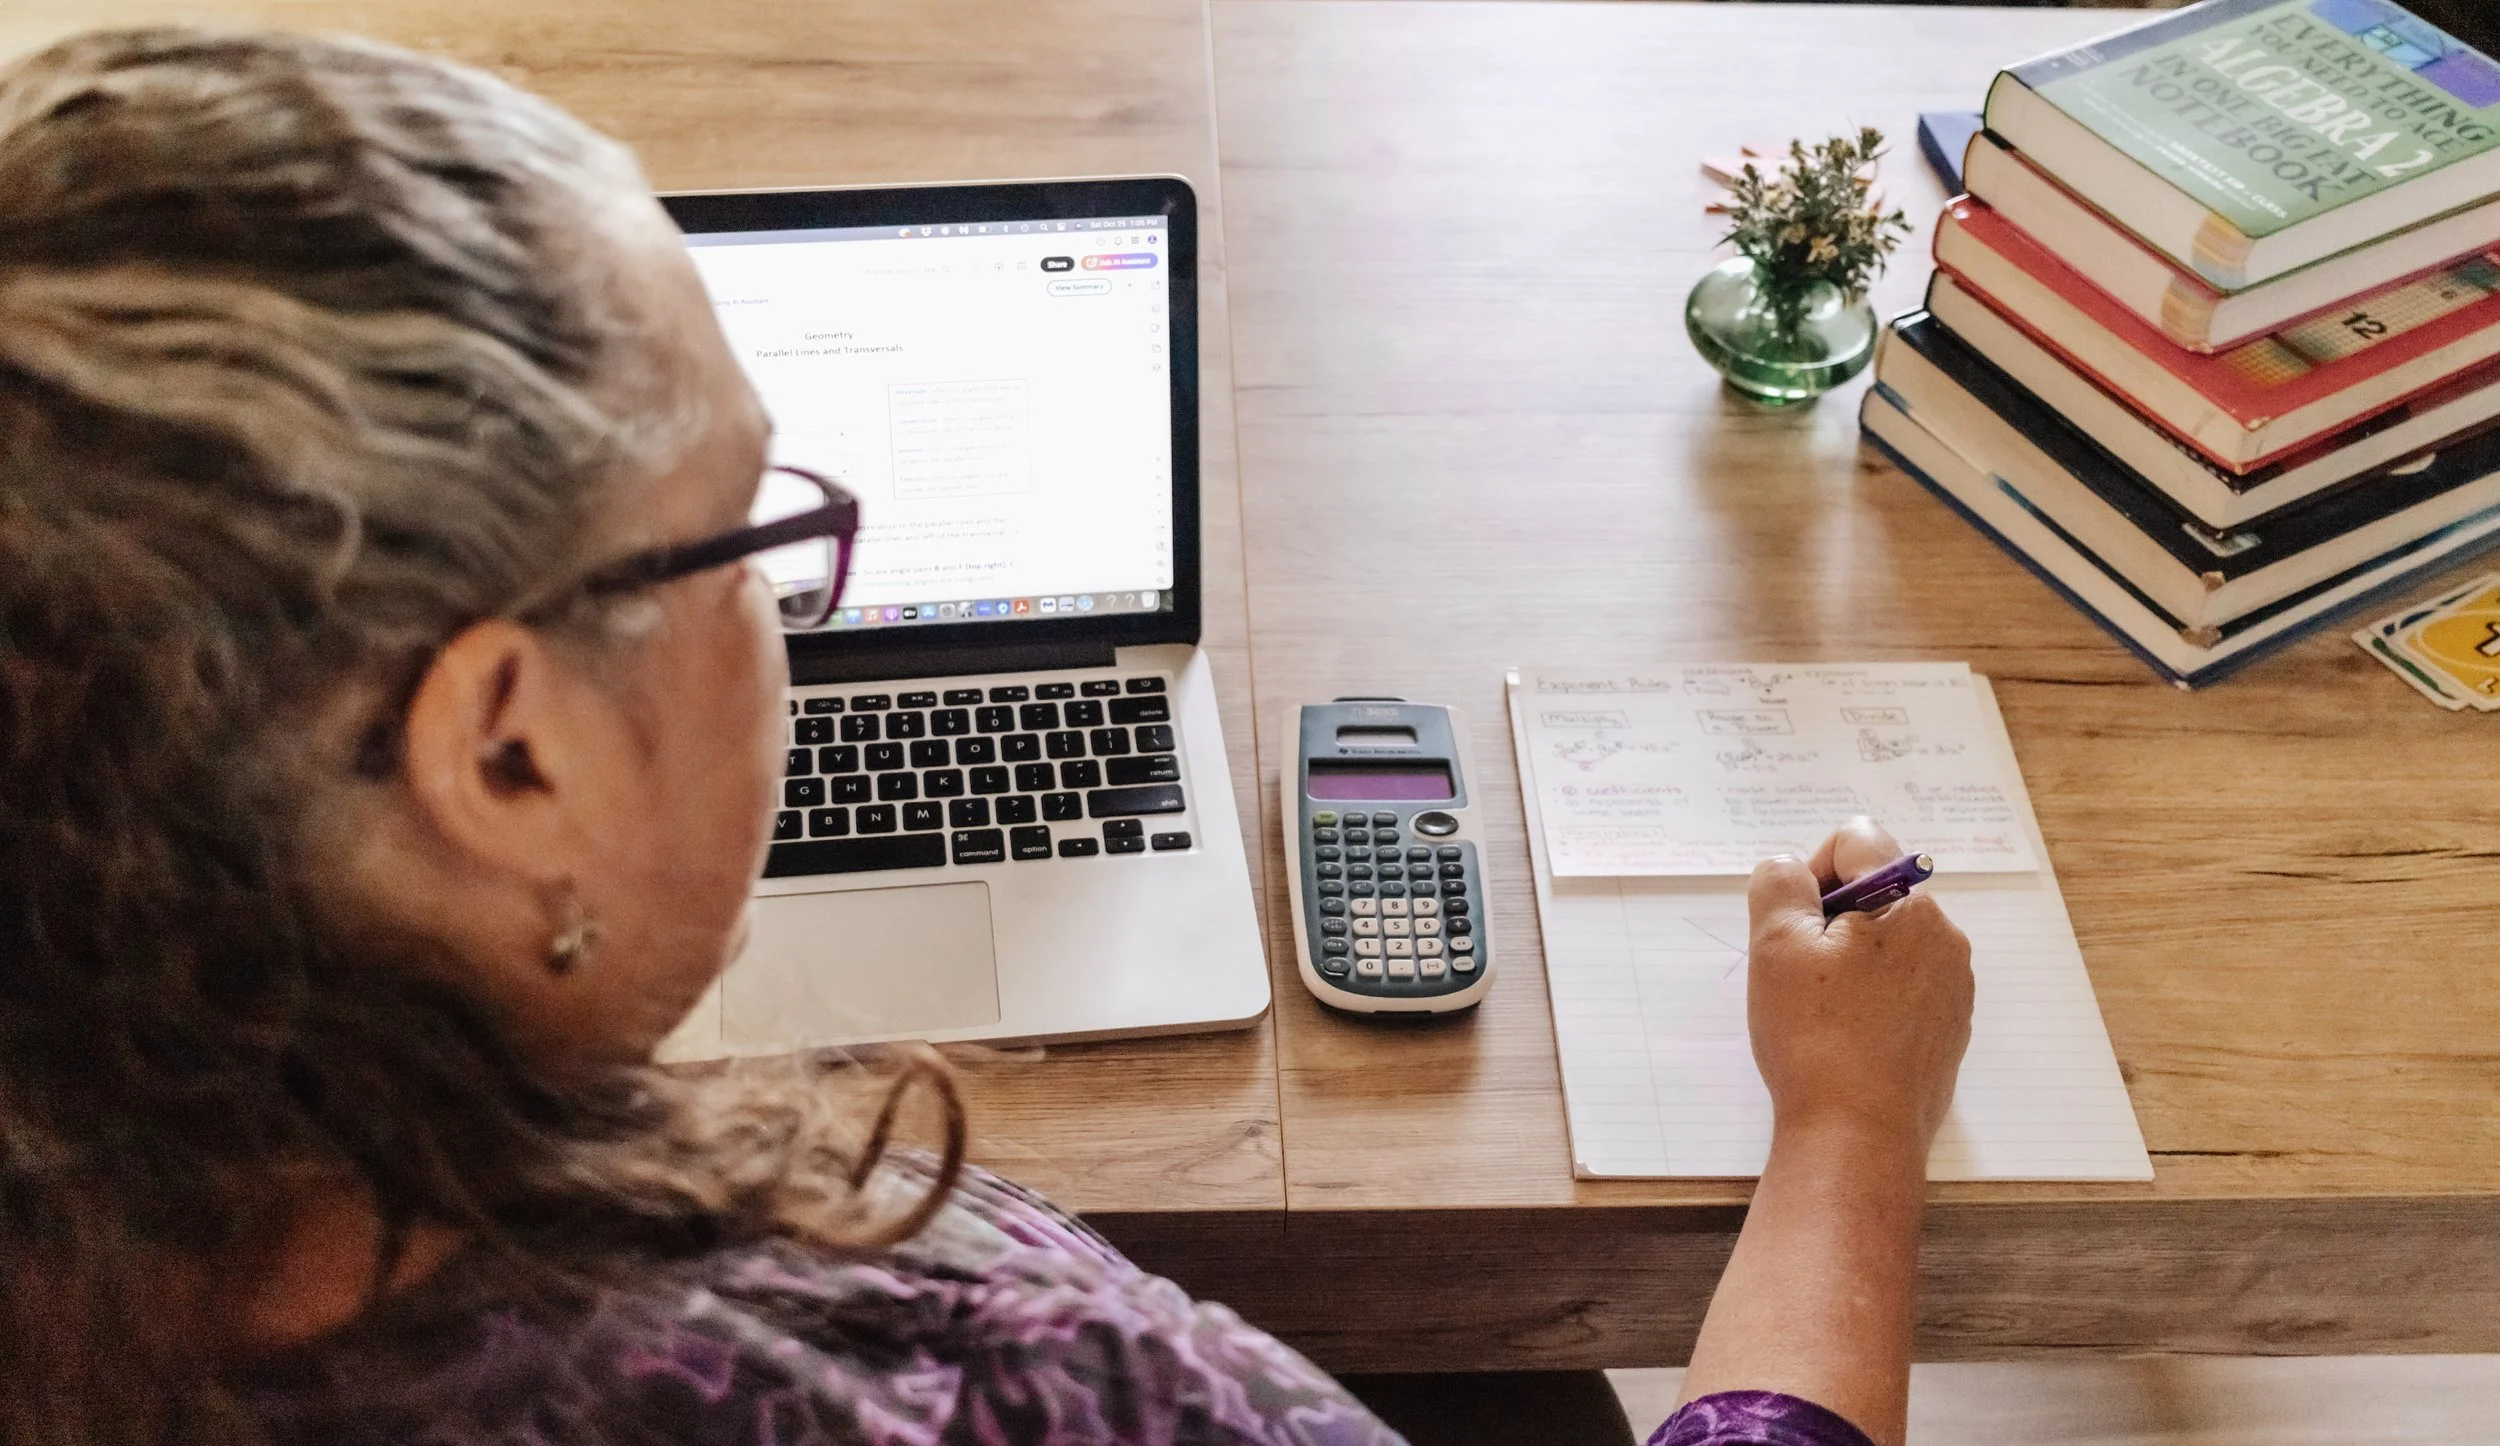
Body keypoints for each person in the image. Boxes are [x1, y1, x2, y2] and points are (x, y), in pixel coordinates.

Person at [0, 27, 1973, 1446]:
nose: (795, 607)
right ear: (510, 758)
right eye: (760, 535)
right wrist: (1844, 1128)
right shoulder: (945, 1385)